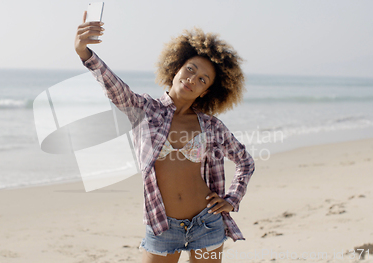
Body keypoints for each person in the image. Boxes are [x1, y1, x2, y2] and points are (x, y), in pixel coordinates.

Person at [75, 11, 255, 263]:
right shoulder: (146, 110)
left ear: (205, 92)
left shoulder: (212, 126)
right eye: (190, 69)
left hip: (206, 222)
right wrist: (85, 54)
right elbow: (115, 88)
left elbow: (245, 162)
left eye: (202, 79)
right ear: (176, 68)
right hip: (162, 225)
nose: (192, 79)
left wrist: (232, 198)